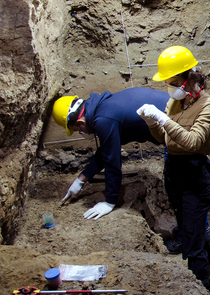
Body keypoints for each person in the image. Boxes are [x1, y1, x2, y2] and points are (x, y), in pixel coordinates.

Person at [137, 45, 210, 293]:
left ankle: (202, 287)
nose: (170, 87)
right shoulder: (176, 103)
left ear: (188, 80)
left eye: (173, 82)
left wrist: (163, 120)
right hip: (175, 170)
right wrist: (152, 123)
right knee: (190, 227)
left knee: (193, 240)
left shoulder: (209, 106)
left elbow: (194, 142)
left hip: (195, 174)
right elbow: (165, 137)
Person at [52, 88, 170, 219]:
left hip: (178, 127)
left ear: (80, 122)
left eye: (78, 130)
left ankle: (183, 234)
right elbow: (106, 149)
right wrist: (80, 180)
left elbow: (112, 162)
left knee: (178, 184)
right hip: (176, 117)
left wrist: (109, 202)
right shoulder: (102, 106)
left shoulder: (104, 120)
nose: (81, 133)